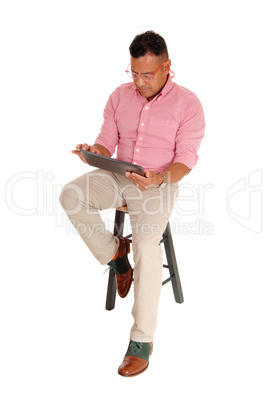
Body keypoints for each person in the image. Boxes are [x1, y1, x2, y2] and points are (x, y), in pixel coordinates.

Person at [59, 30, 205, 377]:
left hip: (158, 184)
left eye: (147, 74)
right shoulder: (119, 96)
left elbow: (186, 159)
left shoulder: (188, 103)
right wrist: (96, 152)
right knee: (70, 195)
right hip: (118, 175)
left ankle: (142, 340)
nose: (139, 82)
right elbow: (107, 140)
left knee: (145, 243)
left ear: (167, 67)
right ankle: (115, 256)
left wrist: (157, 178)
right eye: (134, 73)